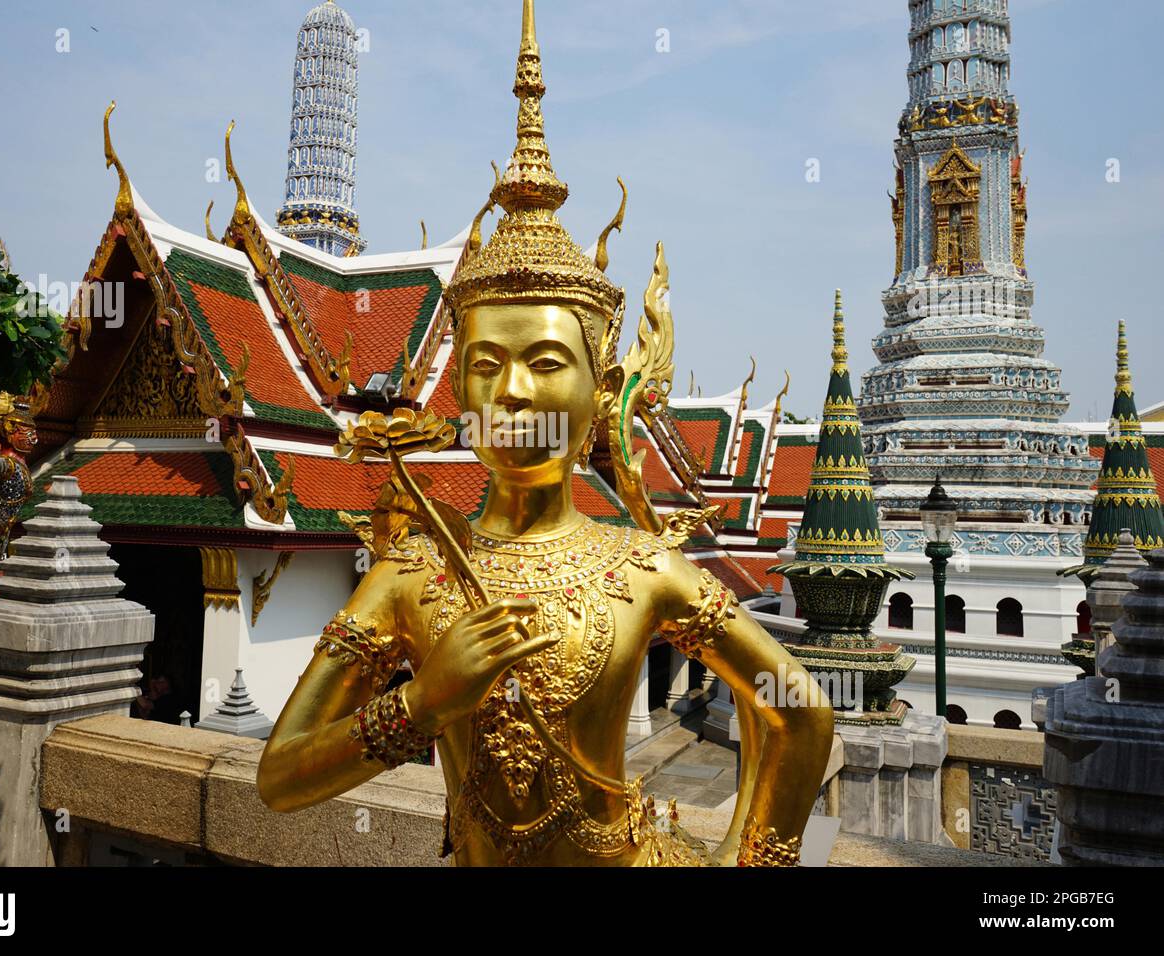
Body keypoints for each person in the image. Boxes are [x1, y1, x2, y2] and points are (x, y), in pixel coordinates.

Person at [257, 0, 832, 867]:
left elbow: (797, 706)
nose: (513, 389)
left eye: (547, 361)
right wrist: (422, 702)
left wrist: (751, 863)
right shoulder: (413, 573)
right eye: (485, 363)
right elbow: (280, 776)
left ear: (604, 387)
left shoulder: (640, 567)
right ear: (455, 384)